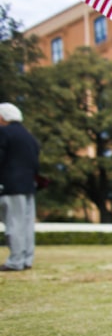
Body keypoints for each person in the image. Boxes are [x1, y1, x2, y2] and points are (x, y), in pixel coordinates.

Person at [0, 103, 40, 271]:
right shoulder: (29, 137)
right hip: (28, 185)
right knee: (26, 224)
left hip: (11, 185)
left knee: (14, 223)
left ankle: (15, 261)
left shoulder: (4, 133)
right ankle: (26, 259)